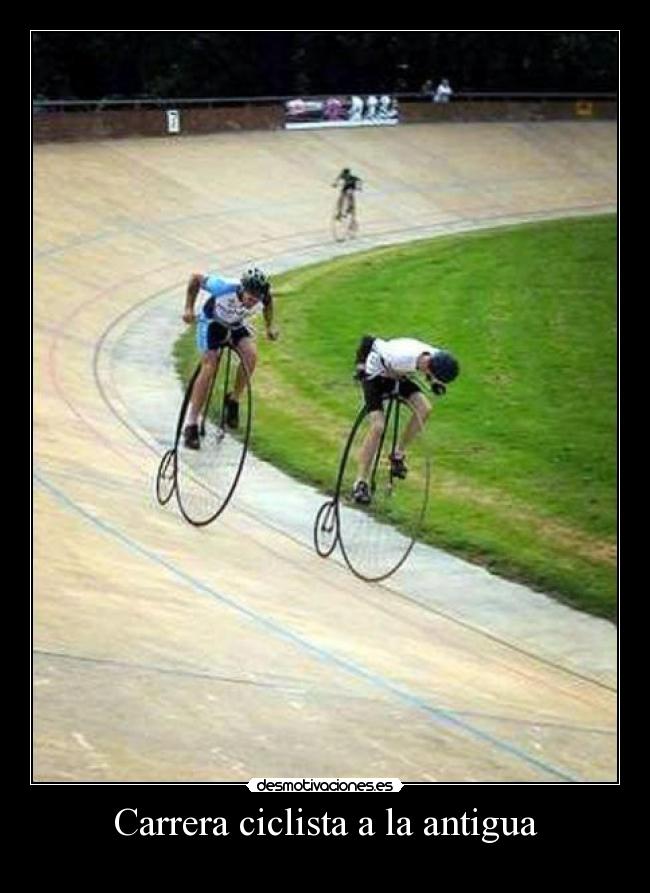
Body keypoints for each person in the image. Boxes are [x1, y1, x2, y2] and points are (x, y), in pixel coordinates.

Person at [351, 335, 459, 504]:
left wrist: (434, 382)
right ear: (429, 366)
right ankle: (360, 482)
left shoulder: (436, 356)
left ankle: (397, 454)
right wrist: (360, 366)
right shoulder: (399, 356)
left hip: (398, 378)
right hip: (376, 376)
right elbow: (368, 341)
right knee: (378, 426)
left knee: (424, 408)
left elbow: (431, 371)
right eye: (431, 374)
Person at [181, 267, 278, 449]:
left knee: (251, 356)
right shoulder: (224, 287)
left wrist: (270, 326)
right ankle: (191, 423)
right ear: (242, 289)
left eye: (255, 300)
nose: (251, 303)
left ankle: (233, 399)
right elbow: (195, 278)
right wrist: (188, 308)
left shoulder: (262, 296)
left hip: (234, 324)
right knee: (210, 366)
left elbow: (269, 303)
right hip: (212, 322)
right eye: (249, 298)